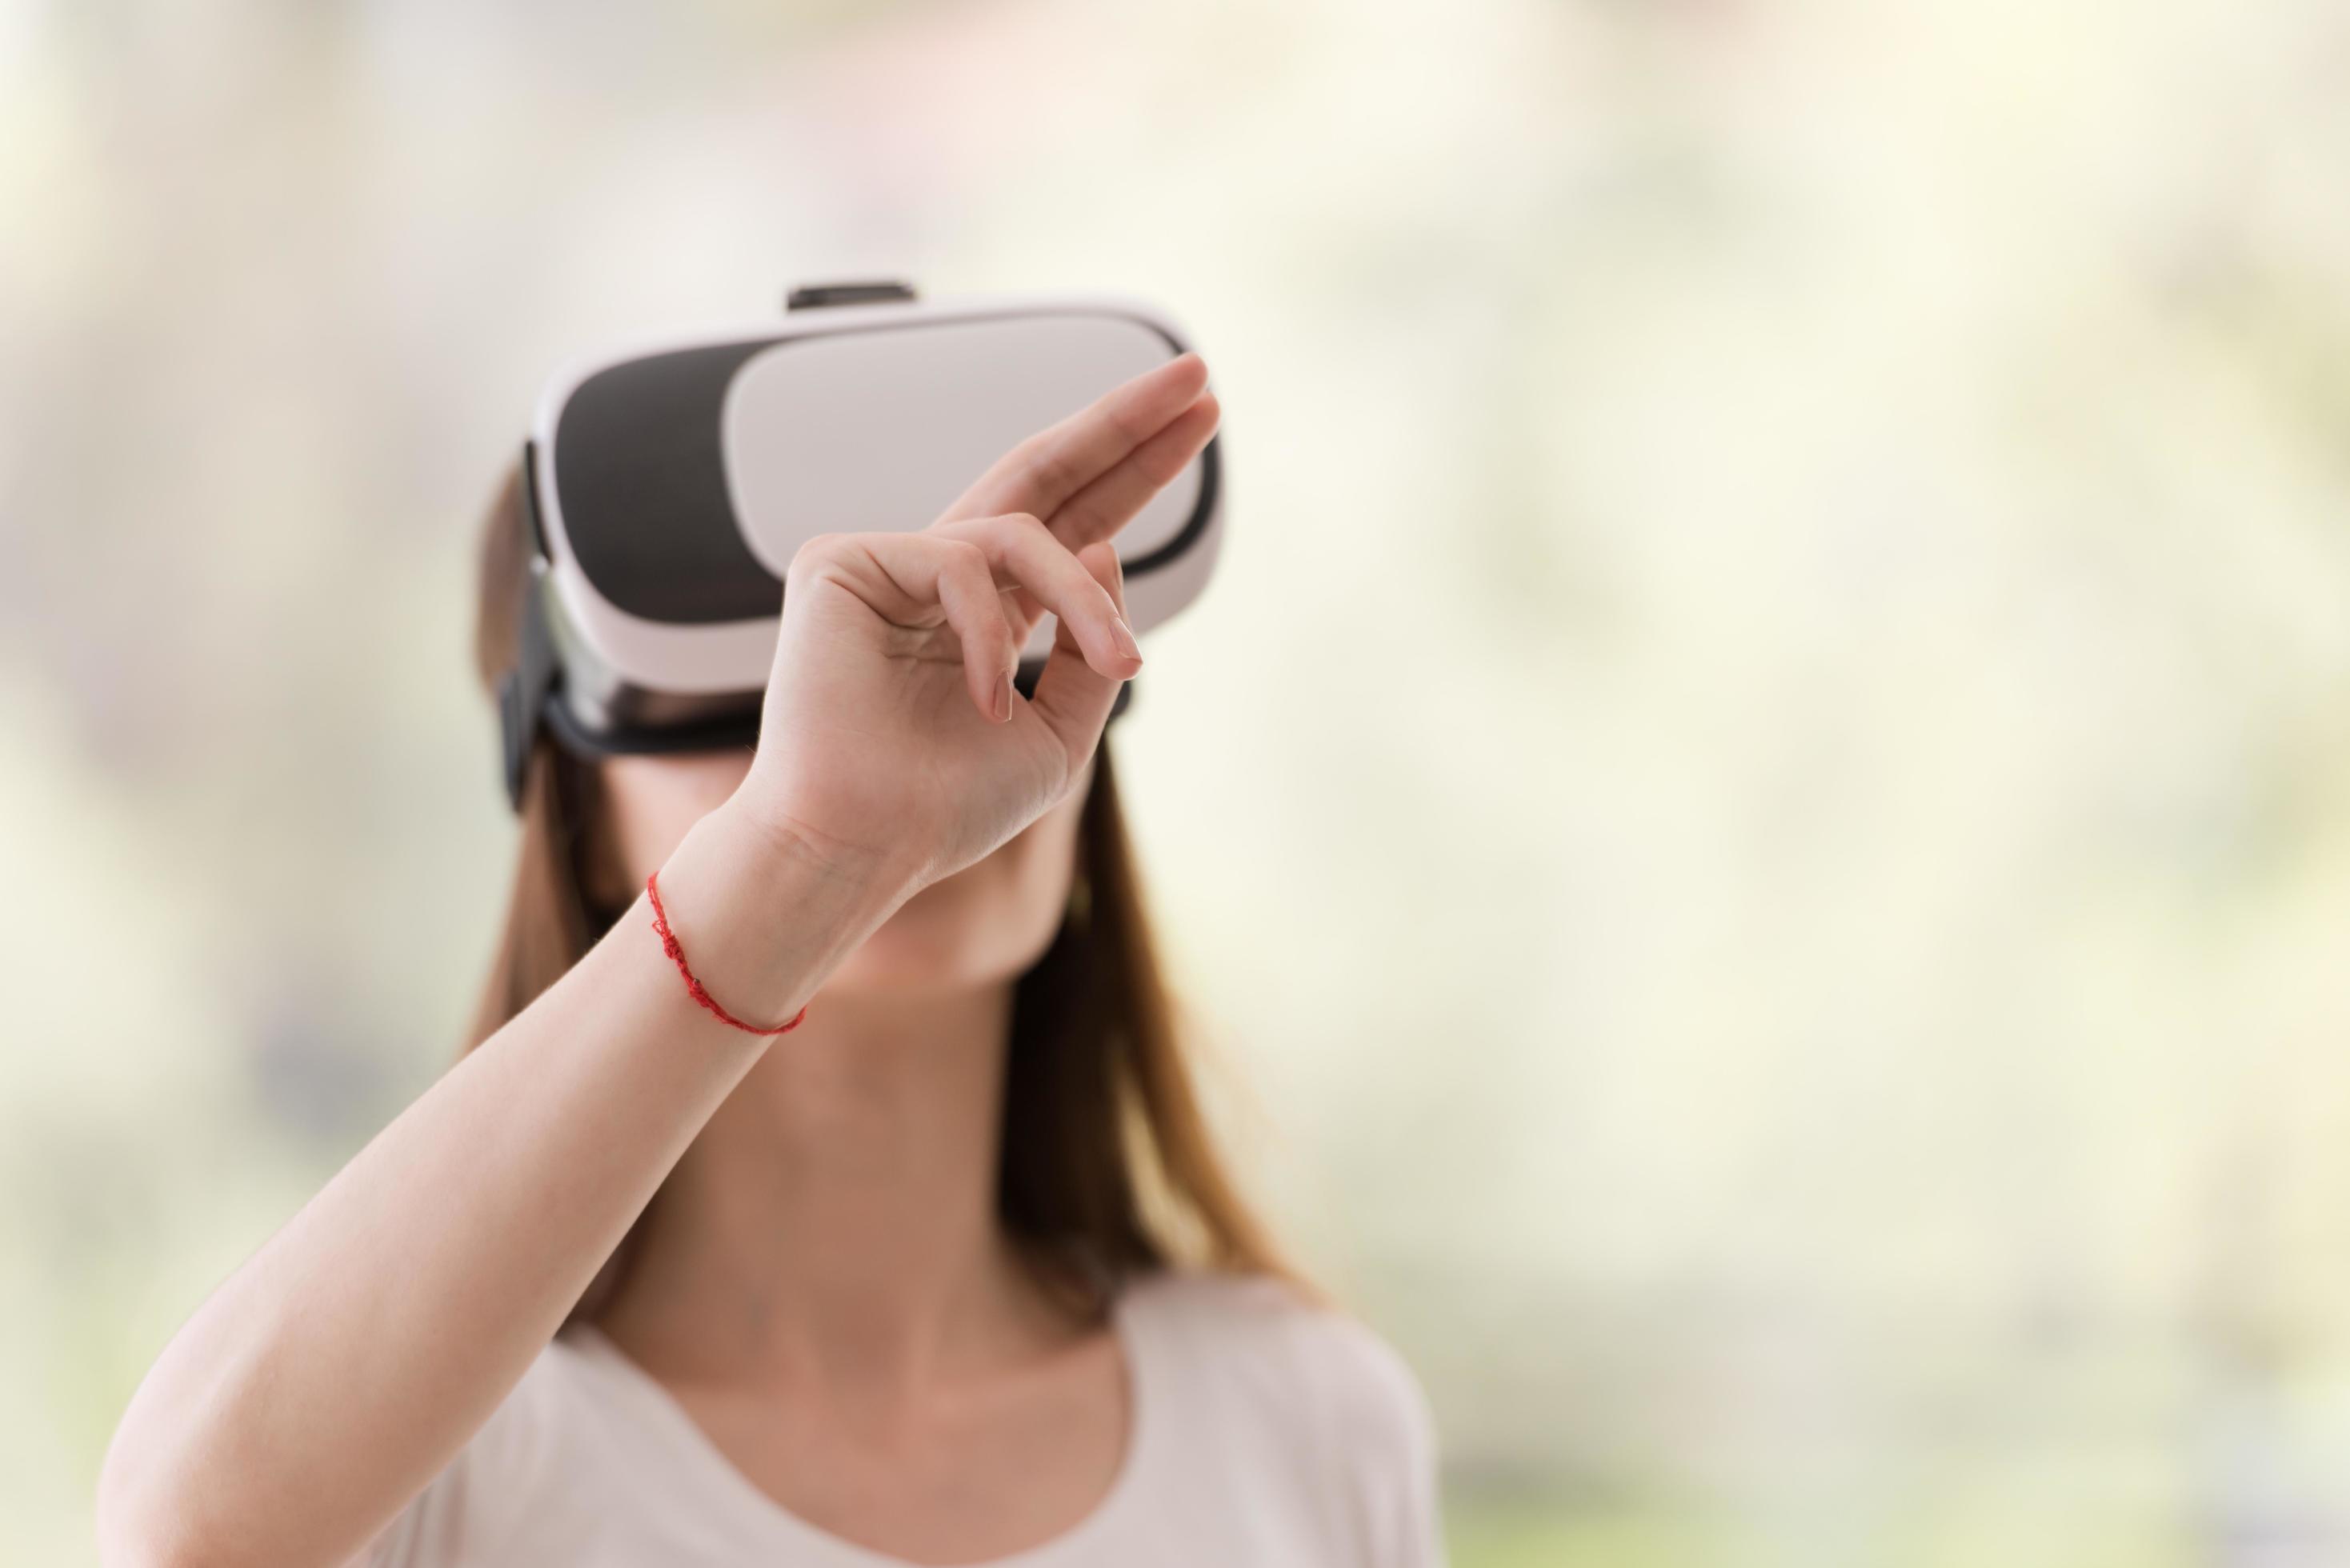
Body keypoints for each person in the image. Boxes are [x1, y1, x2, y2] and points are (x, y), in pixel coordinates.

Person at [96, 351, 1444, 1567]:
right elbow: (181, 1539)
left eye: (991, 636)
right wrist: (798, 850)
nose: (900, 718)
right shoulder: (447, 1463)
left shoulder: (1306, 1423)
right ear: (571, 791)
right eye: (732, 699)